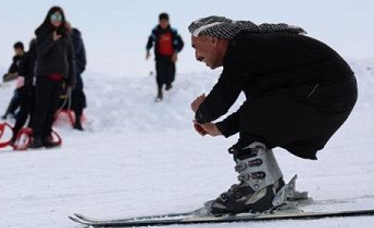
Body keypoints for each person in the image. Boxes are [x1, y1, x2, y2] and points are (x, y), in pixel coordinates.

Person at [188, 16, 357, 215]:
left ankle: (257, 191)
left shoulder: (243, 48)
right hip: (330, 93)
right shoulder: (250, 49)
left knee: (256, 119)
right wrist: (221, 128)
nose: (197, 57)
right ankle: (271, 187)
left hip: (327, 92)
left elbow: (223, 97)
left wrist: (201, 113)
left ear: (213, 40)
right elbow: (261, 104)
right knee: (257, 117)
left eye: (195, 47)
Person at [30, 6, 76, 149]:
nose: (57, 20)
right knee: (41, 108)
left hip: (59, 77)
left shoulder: (66, 35)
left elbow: (71, 58)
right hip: (44, 76)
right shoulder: (42, 33)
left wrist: (70, 79)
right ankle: (36, 136)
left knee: (52, 109)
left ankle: (46, 135)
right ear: (49, 18)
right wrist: (51, 39)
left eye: (59, 17)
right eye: (54, 17)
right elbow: (40, 52)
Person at [146, 12, 184, 101]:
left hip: (171, 57)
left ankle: (168, 84)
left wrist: (176, 52)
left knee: (170, 74)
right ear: (159, 22)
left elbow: (181, 43)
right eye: (161, 21)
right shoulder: (155, 31)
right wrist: (148, 50)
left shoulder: (173, 32)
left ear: (168, 21)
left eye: (165, 21)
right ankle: (159, 92)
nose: (163, 23)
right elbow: (150, 40)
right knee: (160, 74)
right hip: (160, 56)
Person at [10, 39, 37, 144]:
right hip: (27, 88)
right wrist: (21, 88)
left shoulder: (29, 57)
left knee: (28, 112)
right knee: (26, 111)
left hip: (30, 88)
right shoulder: (30, 57)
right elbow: (21, 74)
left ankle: (22, 132)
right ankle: (18, 132)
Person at [1, 41, 25, 120]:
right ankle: (8, 114)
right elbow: (11, 70)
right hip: (20, 82)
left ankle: (15, 114)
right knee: (16, 96)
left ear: (20, 49)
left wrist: (16, 74)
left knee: (21, 98)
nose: (15, 51)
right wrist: (9, 75)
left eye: (16, 49)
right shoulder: (16, 59)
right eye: (15, 50)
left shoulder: (27, 57)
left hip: (27, 81)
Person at [69, 26, 87, 130]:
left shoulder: (75, 38)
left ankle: (78, 119)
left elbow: (73, 55)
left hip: (74, 70)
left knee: (77, 91)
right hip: (62, 70)